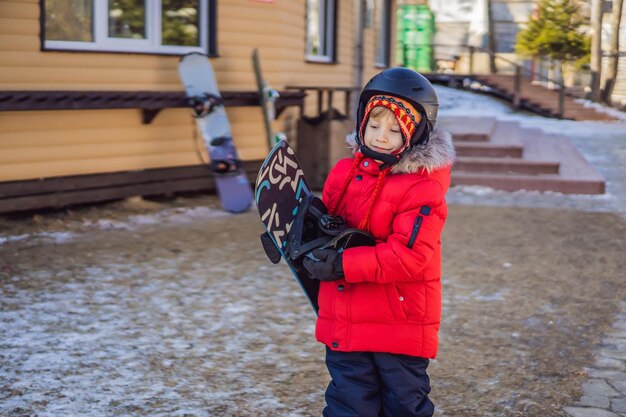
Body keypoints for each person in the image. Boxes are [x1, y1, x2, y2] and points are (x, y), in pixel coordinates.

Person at [302, 67, 456, 417]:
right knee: (348, 403)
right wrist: (299, 228)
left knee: (402, 404)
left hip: (397, 321)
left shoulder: (423, 188)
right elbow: (330, 228)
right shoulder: (344, 172)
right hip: (345, 313)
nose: (381, 137)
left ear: (417, 133)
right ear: (361, 123)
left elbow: (409, 255)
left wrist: (341, 264)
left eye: (394, 129)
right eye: (373, 126)